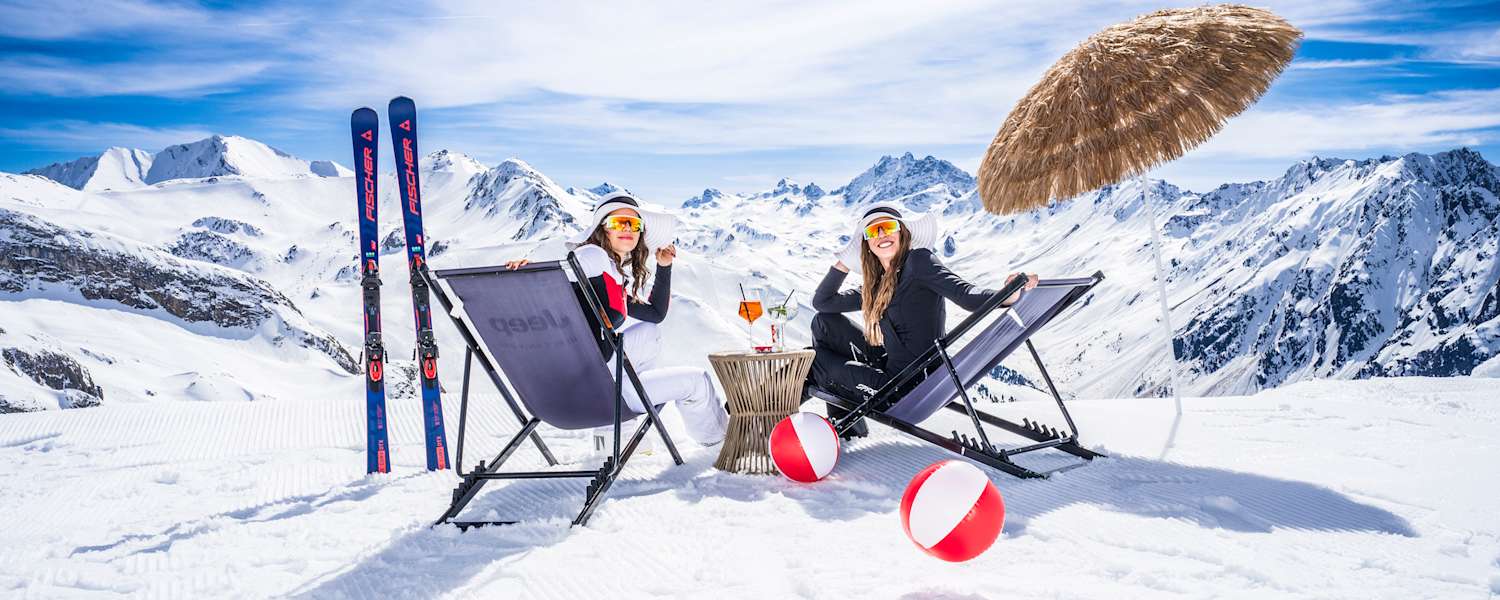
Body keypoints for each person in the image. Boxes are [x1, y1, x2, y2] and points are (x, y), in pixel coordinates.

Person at [506, 191, 728, 446]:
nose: (627, 229)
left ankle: (618, 429)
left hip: (581, 385)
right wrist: (534, 270)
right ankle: (719, 443)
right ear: (603, 229)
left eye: (634, 224)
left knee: (649, 332)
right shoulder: (594, 256)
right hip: (598, 391)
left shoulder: (607, 278)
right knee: (698, 381)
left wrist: (664, 266)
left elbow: (655, 314)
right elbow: (571, 270)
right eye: (618, 222)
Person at [809, 202, 1037, 439]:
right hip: (890, 369)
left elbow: (966, 295)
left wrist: (1010, 293)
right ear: (867, 244)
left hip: (905, 389)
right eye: (873, 231)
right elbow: (823, 302)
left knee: (816, 361)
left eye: (888, 226)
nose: (882, 234)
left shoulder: (919, 262)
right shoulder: (877, 285)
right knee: (823, 323)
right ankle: (845, 423)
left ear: (902, 233)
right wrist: (845, 261)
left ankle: (828, 424)